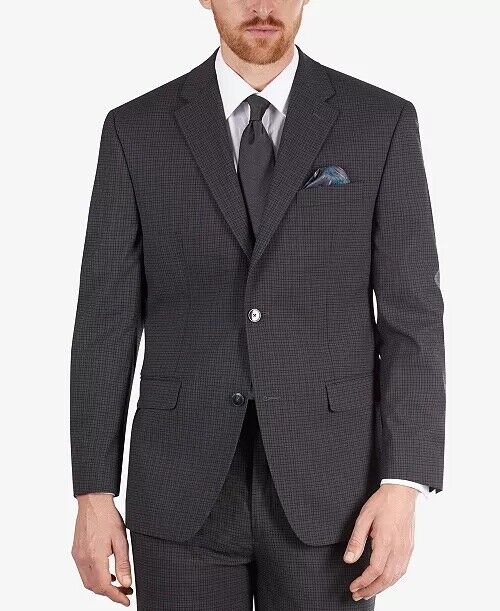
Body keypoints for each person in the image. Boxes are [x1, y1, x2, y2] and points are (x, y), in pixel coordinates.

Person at [70, 1, 446, 609]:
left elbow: (413, 317)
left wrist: (404, 481)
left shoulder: (380, 122)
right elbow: (103, 322)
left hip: (332, 492)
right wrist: (93, 490)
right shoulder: (136, 130)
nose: (263, 6)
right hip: (179, 485)